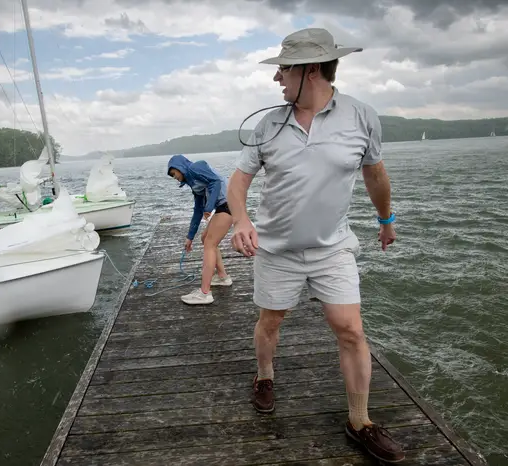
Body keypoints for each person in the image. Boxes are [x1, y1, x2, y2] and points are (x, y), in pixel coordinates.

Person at [226, 28, 404, 463]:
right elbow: (238, 181)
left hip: (333, 248)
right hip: (276, 250)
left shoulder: (362, 116)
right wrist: (243, 219)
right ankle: (264, 376)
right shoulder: (269, 124)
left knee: (351, 329)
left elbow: (375, 174)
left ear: (309, 71)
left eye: (283, 69)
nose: (277, 79)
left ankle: (359, 421)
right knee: (271, 322)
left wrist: (386, 219)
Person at [167, 154, 233, 305]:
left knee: (210, 243)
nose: (174, 177)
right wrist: (190, 237)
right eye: (171, 176)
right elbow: (198, 210)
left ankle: (205, 293)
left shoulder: (197, 167)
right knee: (206, 238)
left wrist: (209, 208)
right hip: (224, 206)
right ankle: (223, 277)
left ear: (180, 166)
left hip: (230, 204)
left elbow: (216, 182)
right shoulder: (195, 184)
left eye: (174, 173)